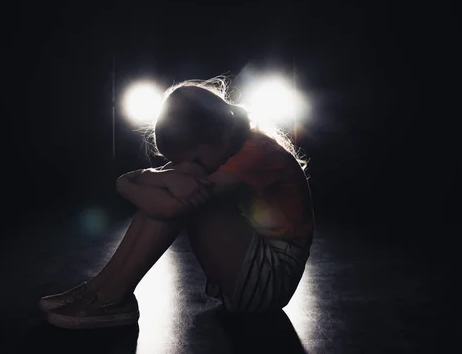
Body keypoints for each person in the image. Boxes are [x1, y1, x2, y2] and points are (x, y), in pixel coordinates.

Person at [39, 78, 315, 329]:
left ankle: (112, 296)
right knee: (182, 181)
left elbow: (168, 208)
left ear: (220, 134)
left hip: (271, 278)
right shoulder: (225, 145)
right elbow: (165, 190)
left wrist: (127, 184)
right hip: (249, 271)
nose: (188, 166)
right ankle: (101, 289)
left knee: (185, 187)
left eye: (193, 158)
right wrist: (145, 179)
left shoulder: (258, 152)